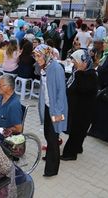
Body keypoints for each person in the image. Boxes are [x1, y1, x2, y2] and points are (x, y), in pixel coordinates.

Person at [33, 44, 68, 177]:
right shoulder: (45, 67)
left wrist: (58, 113)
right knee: (48, 134)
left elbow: (61, 92)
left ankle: (51, 169)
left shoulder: (56, 68)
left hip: (56, 109)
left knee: (53, 137)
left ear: (46, 54)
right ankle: (49, 157)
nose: (37, 58)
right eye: (35, 56)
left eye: (39, 55)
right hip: (48, 106)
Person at [61, 49, 98, 161]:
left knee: (77, 131)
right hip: (79, 108)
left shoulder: (90, 75)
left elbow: (82, 89)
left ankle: (70, 154)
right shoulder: (81, 73)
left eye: (76, 62)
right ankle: (78, 148)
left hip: (83, 109)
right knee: (79, 130)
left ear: (85, 62)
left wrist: (79, 73)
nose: (74, 64)